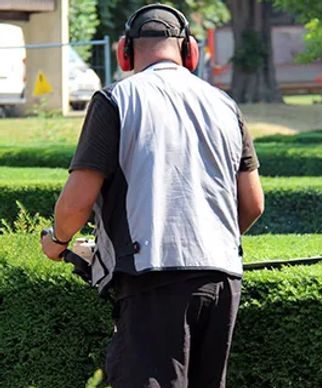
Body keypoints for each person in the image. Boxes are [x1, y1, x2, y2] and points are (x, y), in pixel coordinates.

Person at [41, 3, 264, 388]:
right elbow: (253, 204)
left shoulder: (115, 100)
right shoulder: (226, 105)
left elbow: (77, 200)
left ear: (124, 52)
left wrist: (59, 241)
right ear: (190, 51)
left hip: (151, 278)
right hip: (223, 278)